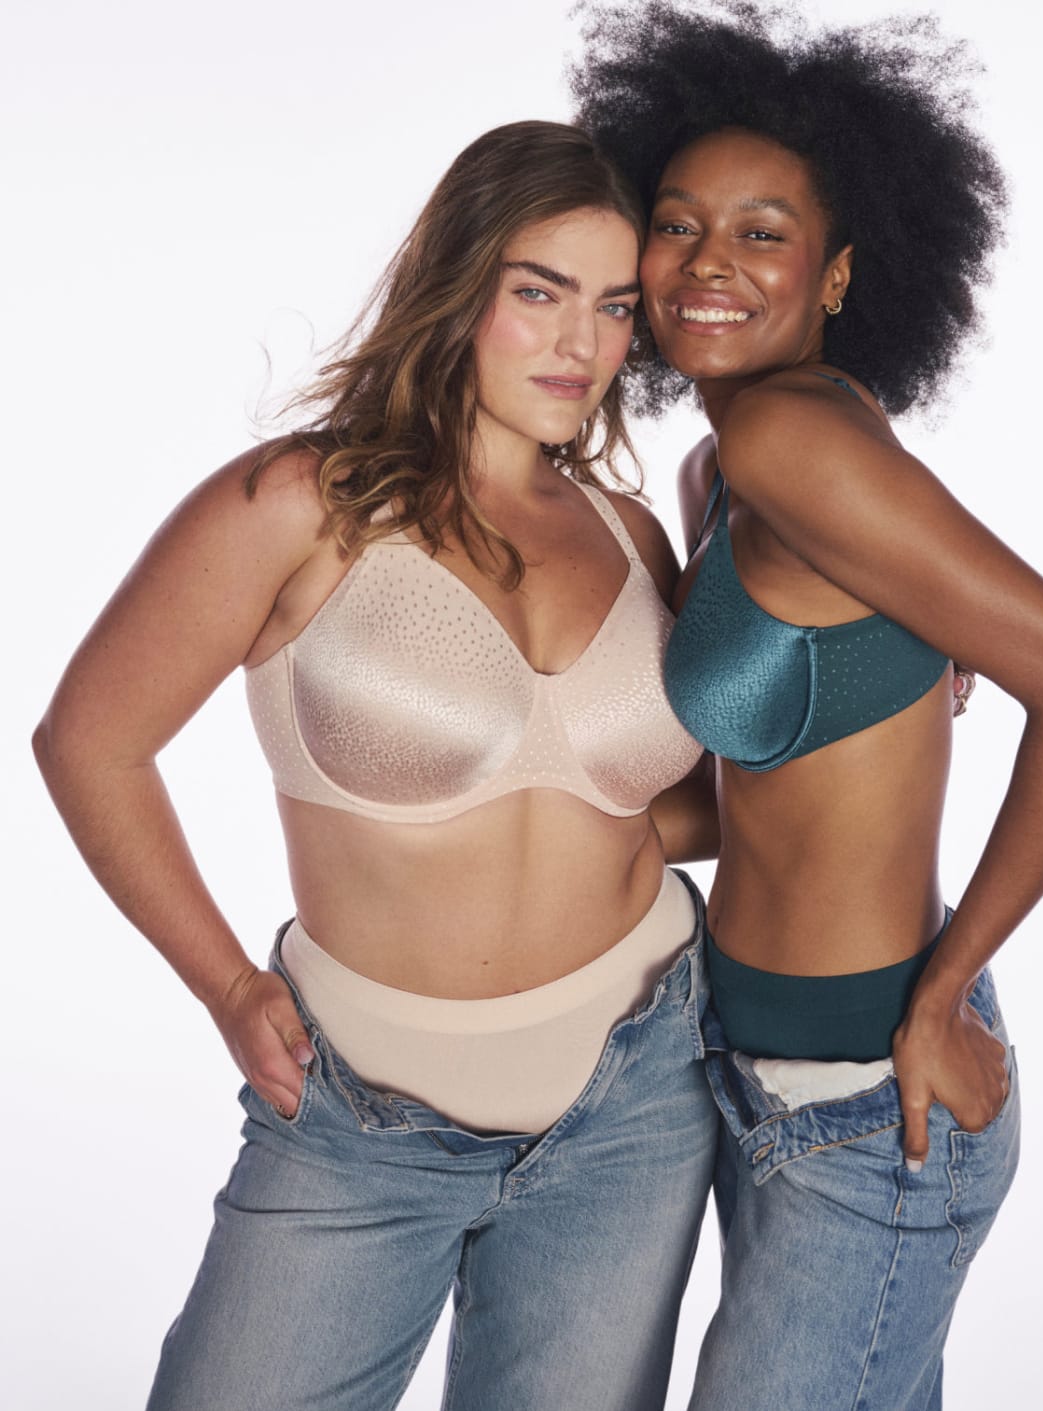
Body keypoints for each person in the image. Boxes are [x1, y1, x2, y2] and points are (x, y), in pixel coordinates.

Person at [33, 120, 719, 1411]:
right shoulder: (302, 505)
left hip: (636, 1097)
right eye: (540, 292)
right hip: (358, 1118)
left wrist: (885, 655)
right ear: (457, 284)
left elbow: (681, 809)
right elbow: (90, 744)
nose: (581, 343)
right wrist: (227, 985)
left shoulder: (629, 535)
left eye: (616, 305)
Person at [572, 5, 1043, 1407]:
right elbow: (758, 789)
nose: (709, 262)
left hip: (868, 1098)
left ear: (836, 275)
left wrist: (943, 995)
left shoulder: (790, 437)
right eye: (677, 224)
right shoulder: (725, 467)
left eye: (762, 233)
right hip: (746, 1063)